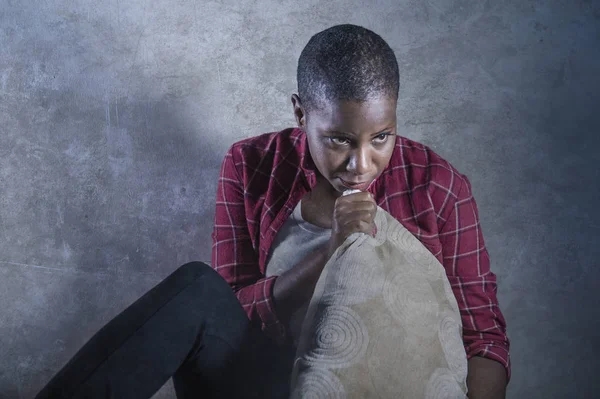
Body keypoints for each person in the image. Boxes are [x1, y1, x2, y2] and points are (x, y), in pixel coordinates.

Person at [35, 24, 510, 399]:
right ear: (301, 115)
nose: (360, 164)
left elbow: (484, 340)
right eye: (340, 139)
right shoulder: (252, 165)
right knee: (198, 289)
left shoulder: (439, 186)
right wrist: (332, 251)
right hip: (269, 381)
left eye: (380, 137)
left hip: (387, 385)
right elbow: (231, 309)